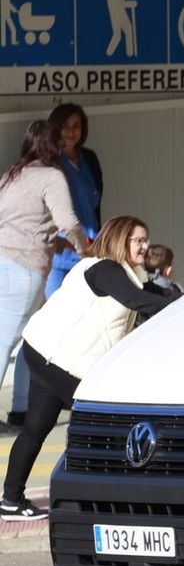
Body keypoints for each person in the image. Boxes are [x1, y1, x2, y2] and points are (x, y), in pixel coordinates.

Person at [0, 216, 181, 521]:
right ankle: (102, 500)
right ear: (120, 240)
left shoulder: (126, 272)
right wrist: (180, 307)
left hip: (47, 353)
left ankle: (10, 500)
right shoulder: (104, 269)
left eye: (146, 240)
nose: (145, 246)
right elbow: (137, 300)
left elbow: (154, 292)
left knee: (37, 428)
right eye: (138, 240)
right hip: (56, 358)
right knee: (106, 422)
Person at [8, 103, 105, 429]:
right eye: (65, 126)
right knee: (37, 332)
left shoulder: (86, 160)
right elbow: (65, 219)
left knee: (78, 330)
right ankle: (23, 406)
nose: (71, 131)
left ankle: (66, 395)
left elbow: (93, 207)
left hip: (79, 253)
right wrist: (75, 244)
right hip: (52, 259)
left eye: (77, 125)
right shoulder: (49, 169)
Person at [0, 121, 86, 437]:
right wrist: (84, 246)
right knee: (7, 342)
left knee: (21, 340)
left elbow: (17, 221)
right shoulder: (51, 176)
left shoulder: (12, 175)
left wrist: (55, 241)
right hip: (24, 268)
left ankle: (20, 410)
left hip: (2, 262)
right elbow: (67, 221)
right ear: (55, 146)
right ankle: (22, 409)